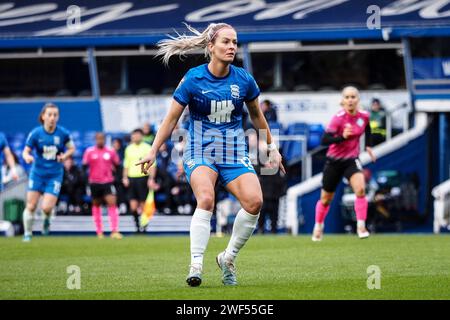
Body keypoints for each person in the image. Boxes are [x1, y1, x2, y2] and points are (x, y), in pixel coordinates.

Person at [136, 22, 284, 287]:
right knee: (206, 198)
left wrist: (271, 148)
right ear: (210, 47)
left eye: (235, 42)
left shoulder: (244, 79)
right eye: (226, 42)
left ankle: (227, 258)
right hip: (199, 149)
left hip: (233, 150)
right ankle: (196, 264)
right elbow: (171, 119)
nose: (231, 47)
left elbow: (256, 115)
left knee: (254, 202)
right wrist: (153, 151)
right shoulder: (193, 78)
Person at [312, 86, 376, 242]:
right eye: (347, 97)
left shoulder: (364, 116)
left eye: (353, 97)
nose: (350, 100)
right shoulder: (338, 118)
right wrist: (342, 137)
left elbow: (367, 129)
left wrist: (368, 145)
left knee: (360, 189)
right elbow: (324, 140)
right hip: (333, 162)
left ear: (358, 100)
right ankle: (318, 225)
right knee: (326, 199)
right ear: (342, 101)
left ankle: (361, 226)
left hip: (351, 161)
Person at [21, 103, 75, 242]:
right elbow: (26, 151)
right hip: (37, 173)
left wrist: (65, 156)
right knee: (31, 205)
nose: (52, 118)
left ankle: (46, 221)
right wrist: (27, 157)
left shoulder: (63, 133)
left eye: (55, 115)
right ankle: (27, 233)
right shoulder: (36, 133)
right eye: (49, 114)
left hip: (54, 175)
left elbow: (71, 149)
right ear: (43, 116)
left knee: (46, 208)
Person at [83, 132, 123, 239]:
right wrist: (87, 182)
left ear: (105, 140)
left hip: (107, 182)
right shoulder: (89, 152)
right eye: (98, 139)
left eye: (102, 139)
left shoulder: (111, 152)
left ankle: (114, 230)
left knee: (112, 203)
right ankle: (99, 231)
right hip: (94, 183)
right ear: (95, 139)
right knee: (96, 205)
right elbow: (84, 167)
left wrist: (117, 179)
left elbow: (118, 166)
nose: (100, 140)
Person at [123, 128, 157, 233]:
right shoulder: (128, 148)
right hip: (132, 178)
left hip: (143, 178)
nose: (135, 137)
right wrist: (124, 177)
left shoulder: (147, 148)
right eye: (134, 135)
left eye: (138, 135)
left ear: (141, 136)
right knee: (133, 206)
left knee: (143, 204)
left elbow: (153, 165)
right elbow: (126, 165)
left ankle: (144, 226)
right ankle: (137, 226)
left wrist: (151, 179)